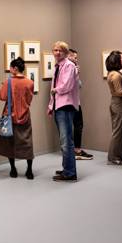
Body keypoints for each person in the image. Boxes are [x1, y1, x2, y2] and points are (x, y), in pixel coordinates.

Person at [0, 57, 35, 179]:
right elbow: (29, 100)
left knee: (9, 143)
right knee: (27, 142)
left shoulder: (8, 82)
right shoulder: (30, 82)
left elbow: (2, 97)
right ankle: (29, 170)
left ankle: (13, 169)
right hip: (25, 115)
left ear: (15, 68)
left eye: (10, 67)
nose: (9, 69)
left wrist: (3, 86)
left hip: (9, 116)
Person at [48, 41, 79, 182]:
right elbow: (54, 90)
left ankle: (70, 173)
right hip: (59, 106)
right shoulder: (58, 67)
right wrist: (51, 106)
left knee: (66, 142)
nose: (57, 52)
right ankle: (67, 168)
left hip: (66, 107)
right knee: (64, 141)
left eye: (60, 50)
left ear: (66, 52)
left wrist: (56, 90)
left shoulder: (69, 66)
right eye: (55, 50)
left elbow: (66, 86)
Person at [67, 48, 94, 160]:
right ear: (69, 56)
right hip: (71, 103)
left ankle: (74, 149)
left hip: (75, 102)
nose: (77, 60)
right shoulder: (69, 68)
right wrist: (76, 74)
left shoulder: (73, 68)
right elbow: (70, 85)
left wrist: (77, 74)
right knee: (77, 126)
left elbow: (79, 85)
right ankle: (76, 150)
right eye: (75, 57)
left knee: (77, 125)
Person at [106, 50, 122, 165]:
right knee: (118, 131)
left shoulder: (115, 73)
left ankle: (121, 155)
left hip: (119, 104)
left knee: (121, 131)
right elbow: (119, 92)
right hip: (119, 104)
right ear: (117, 61)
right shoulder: (115, 75)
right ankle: (113, 157)